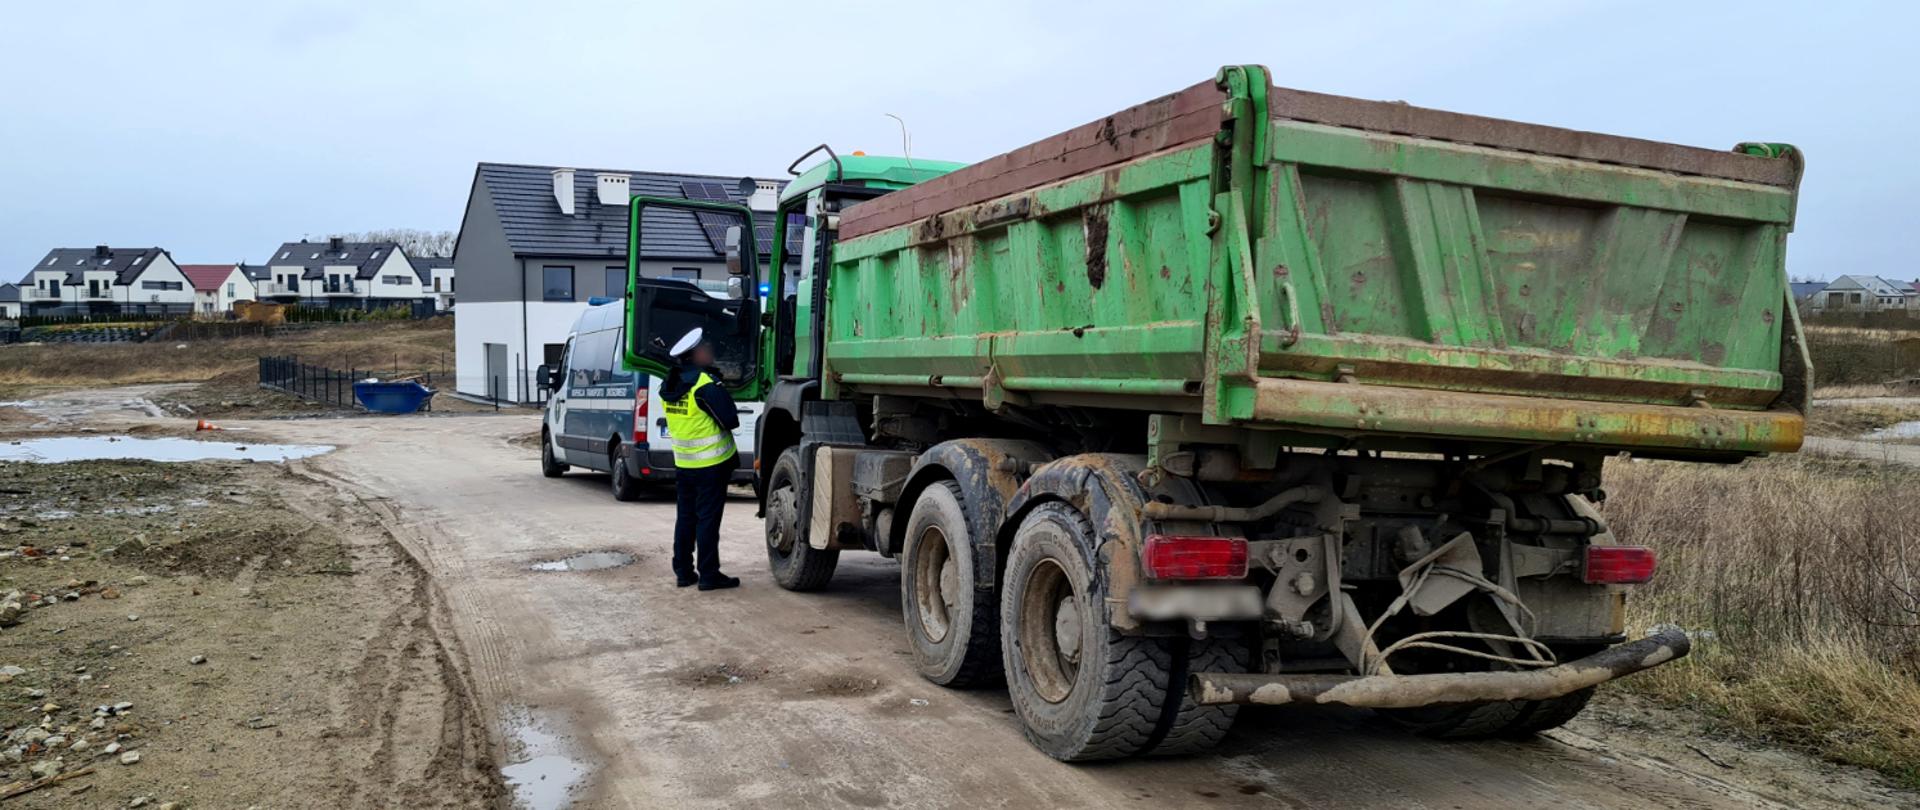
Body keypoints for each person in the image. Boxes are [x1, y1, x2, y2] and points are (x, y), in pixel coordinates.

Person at [659, 327, 741, 591]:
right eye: (705, 347)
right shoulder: (705, 385)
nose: (710, 350)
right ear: (695, 355)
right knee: (707, 520)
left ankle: (683, 572)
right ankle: (709, 575)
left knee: (686, 518)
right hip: (711, 466)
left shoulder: (669, 384)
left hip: (685, 464)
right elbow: (730, 420)